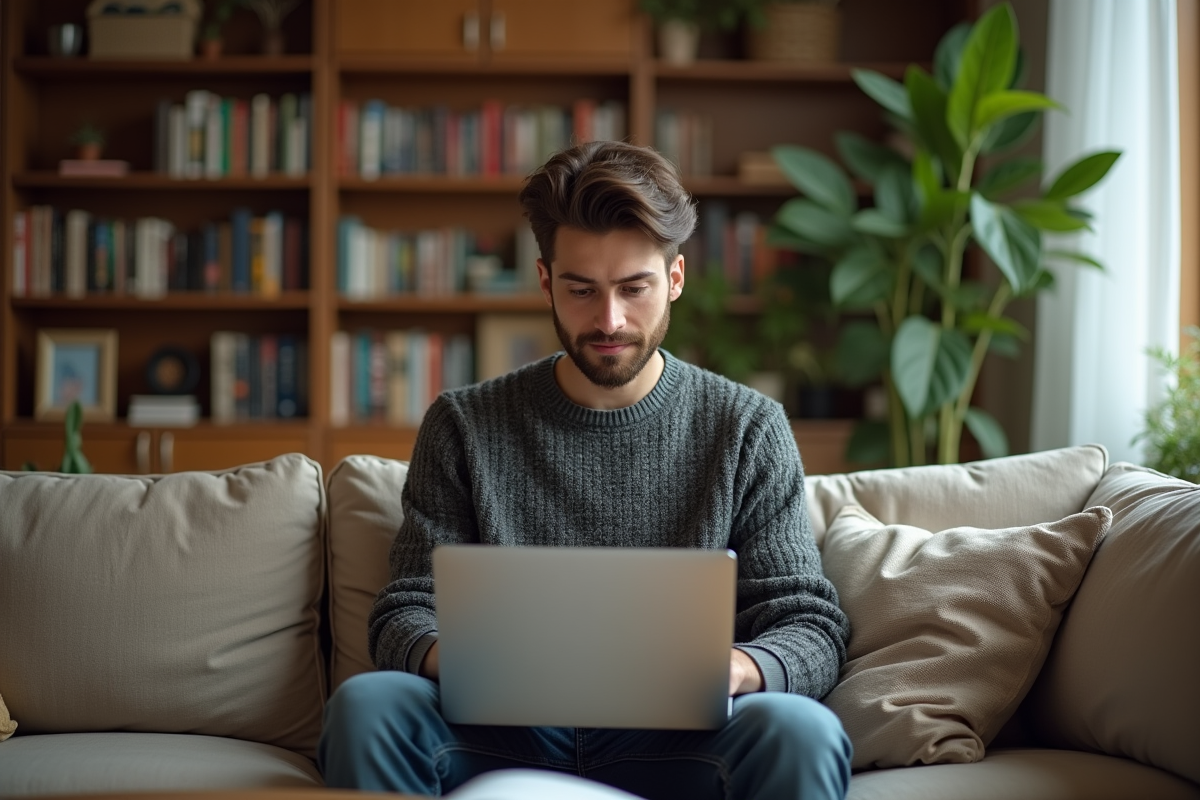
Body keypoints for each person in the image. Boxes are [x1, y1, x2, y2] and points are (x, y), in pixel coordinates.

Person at [319, 140, 853, 800]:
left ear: (675, 279)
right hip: (499, 730)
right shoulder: (463, 424)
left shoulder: (747, 427)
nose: (609, 320)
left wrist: (737, 669)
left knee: (802, 732)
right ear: (545, 281)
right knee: (367, 708)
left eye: (634, 289)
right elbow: (404, 609)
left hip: (683, 740)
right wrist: (455, 658)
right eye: (581, 290)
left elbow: (808, 625)